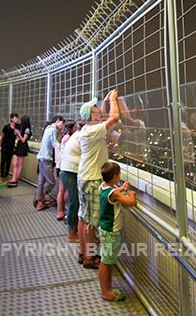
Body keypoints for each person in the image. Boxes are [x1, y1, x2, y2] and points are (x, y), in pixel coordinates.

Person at [78, 89, 119, 268]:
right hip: (93, 179)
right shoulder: (92, 131)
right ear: (92, 116)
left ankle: (83, 252)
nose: (99, 111)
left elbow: (103, 114)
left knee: (83, 217)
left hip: (85, 176)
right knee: (91, 222)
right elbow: (114, 118)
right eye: (95, 110)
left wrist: (106, 101)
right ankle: (90, 257)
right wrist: (114, 100)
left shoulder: (89, 128)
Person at [98, 161, 136, 301]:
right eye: (119, 175)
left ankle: (107, 287)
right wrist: (131, 193)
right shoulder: (113, 192)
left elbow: (112, 193)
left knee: (107, 260)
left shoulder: (103, 187)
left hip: (104, 229)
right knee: (106, 262)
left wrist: (120, 189)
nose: (120, 177)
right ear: (115, 177)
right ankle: (105, 291)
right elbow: (129, 202)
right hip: (111, 233)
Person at [59, 122, 82, 242]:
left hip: (69, 170)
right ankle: (71, 234)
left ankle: (74, 229)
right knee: (75, 202)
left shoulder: (76, 135)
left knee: (74, 200)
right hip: (70, 171)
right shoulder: (80, 137)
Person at [35, 115, 64, 211]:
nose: (62, 125)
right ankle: (40, 199)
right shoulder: (53, 130)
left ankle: (39, 202)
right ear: (58, 121)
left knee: (41, 182)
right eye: (62, 123)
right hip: (46, 159)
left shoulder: (48, 128)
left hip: (41, 158)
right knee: (51, 182)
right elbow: (55, 144)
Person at [55, 122, 76, 221]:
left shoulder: (63, 137)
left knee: (61, 190)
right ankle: (62, 211)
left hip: (61, 165)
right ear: (71, 128)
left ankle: (60, 211)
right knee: (65, 190)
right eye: (75, 127)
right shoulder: (68, 138)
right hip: (65, 166)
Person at [8, 115, 31, 187]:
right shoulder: (21, 128)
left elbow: (23, 140)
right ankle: (14, 178)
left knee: (20, 164)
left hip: (22, 146)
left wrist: (18, 134)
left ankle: (15, 180)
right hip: (18, 146)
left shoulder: (27, 129)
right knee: (14, 163)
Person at [0, 113, 19, 180]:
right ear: (11, 119)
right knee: (3, 161)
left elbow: (18, 137)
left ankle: (6, 174)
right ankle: (2, 176)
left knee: (8, 161)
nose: (17, 119)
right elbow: (2, 136)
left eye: (17, 118)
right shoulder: (6, 127)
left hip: (11, 146)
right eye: (15, 118)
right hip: (5, 145)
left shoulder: (17, 128)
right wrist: (0, 145)